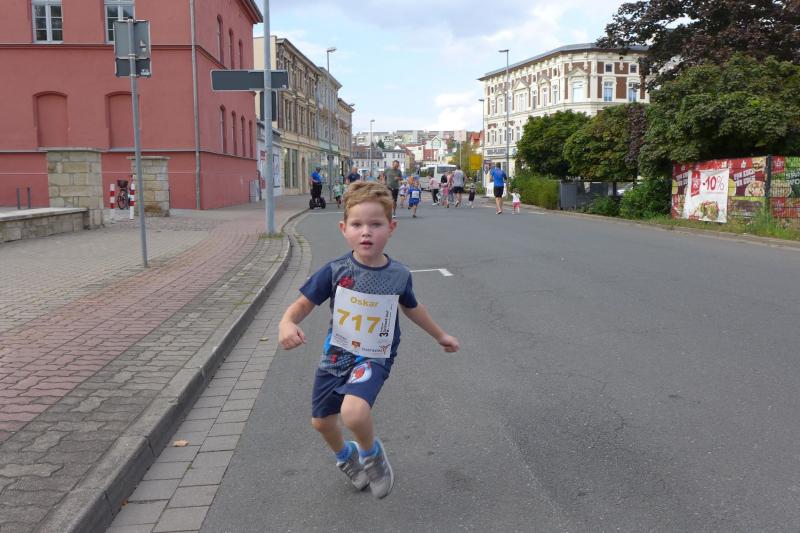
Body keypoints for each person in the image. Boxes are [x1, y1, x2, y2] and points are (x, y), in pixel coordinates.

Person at [278, 182, 460, 499]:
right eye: (357, 224)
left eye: (375, 224)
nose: (366, 232)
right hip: (336, 356)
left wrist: (440, 335)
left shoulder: (398, 275)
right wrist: (286, 322)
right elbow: (303, 304)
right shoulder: (335, 271)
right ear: (343, 228)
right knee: (322, 422)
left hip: (375, 355)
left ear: (391, 228)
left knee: (353, 412)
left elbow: (412, 307)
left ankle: (371, 456)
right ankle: (346, 456)